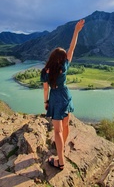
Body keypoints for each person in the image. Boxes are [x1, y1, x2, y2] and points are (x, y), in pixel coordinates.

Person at [40, 19, 85, 170]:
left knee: (57, 130)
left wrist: (46, 102)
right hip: (65, 94)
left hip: (55, 97)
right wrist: (76, 31)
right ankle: (62, 149)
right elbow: (72, 47)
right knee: (66, 125)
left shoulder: (46, 71)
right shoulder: (64, 66)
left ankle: (60, 161)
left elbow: (46, 89)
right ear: (62, 58)